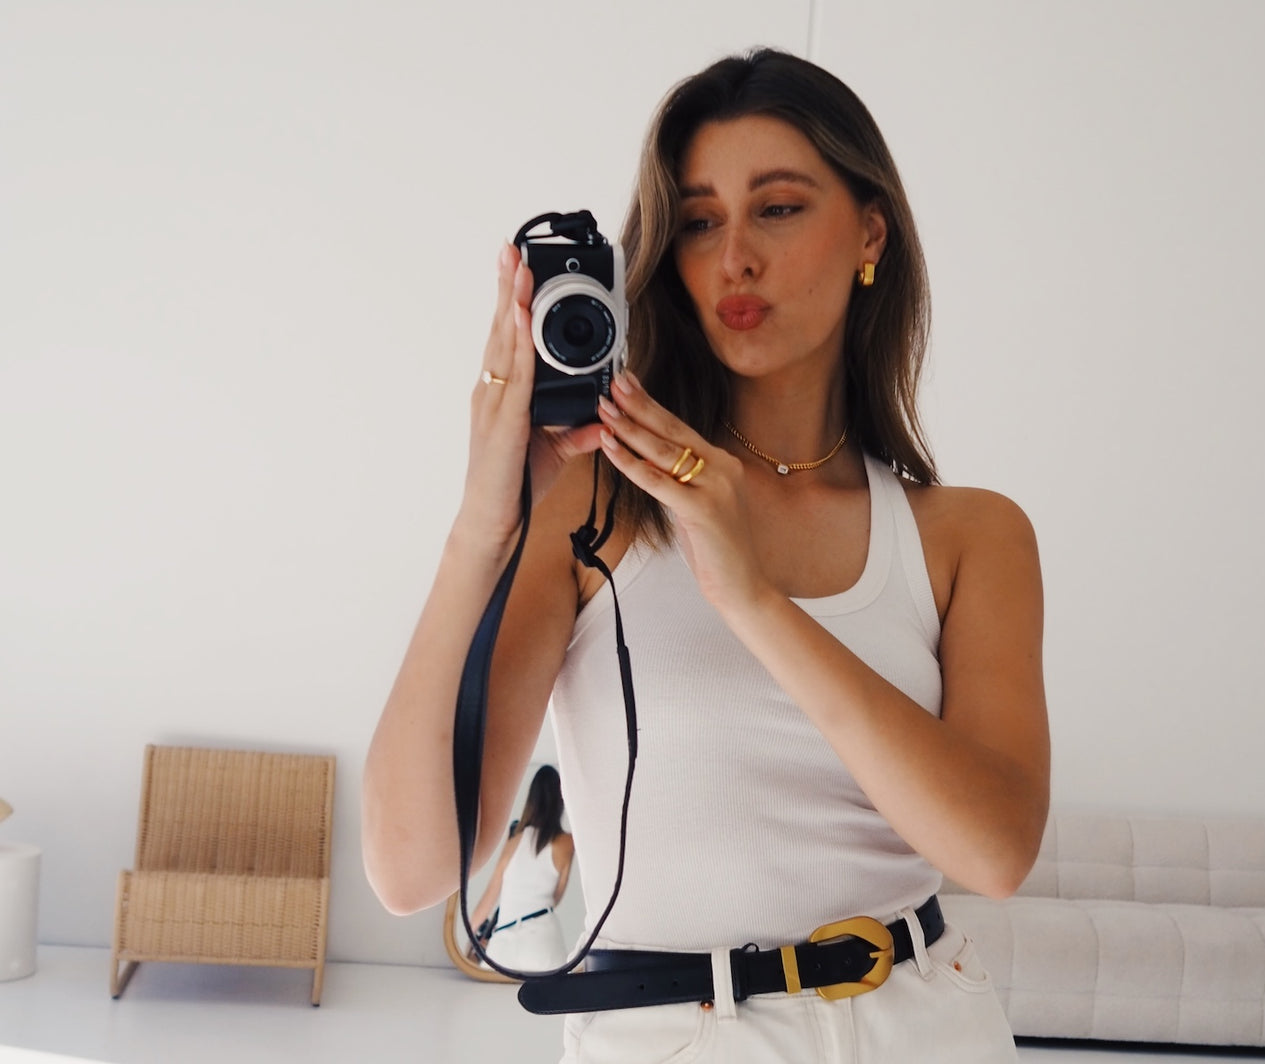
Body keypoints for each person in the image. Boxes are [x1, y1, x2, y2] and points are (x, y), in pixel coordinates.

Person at [363, 48, 1049, 1063]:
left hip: (925, 1025)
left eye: (776, 208)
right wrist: (483, 524)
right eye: (696, 220)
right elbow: (410, 866)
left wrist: (754, 597)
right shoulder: (591, 513)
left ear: (869, 231)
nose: (733, 256)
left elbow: (994, 850)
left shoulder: (968, 535)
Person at [468, 764, 573, 972]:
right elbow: (556, 898)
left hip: (503, 942)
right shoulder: (566, 843)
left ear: (531, 801)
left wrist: (466, 946)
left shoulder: (515, 839)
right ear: (560, 800)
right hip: (543, 940)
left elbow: (488, 899)